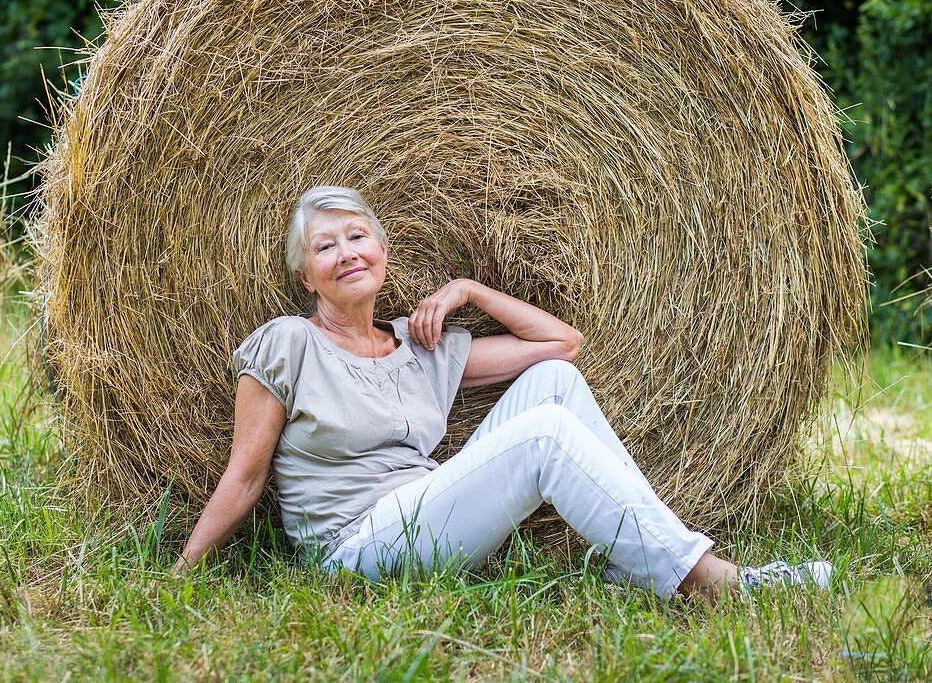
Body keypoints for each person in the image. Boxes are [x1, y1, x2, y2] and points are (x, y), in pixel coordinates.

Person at [175, 185, 832, 598]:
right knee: (544, 437)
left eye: (357, 235)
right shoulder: (287, 342)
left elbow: (560, 345)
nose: (346, 252)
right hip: (355, 545)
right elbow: (245, 475)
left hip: (426, 516)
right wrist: (183, 572)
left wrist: (469, 289)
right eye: (325, 246)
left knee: (553, 386)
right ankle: (708, 579)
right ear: (306, 275)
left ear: (382, 247)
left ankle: (648, 558)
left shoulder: (417, 346)